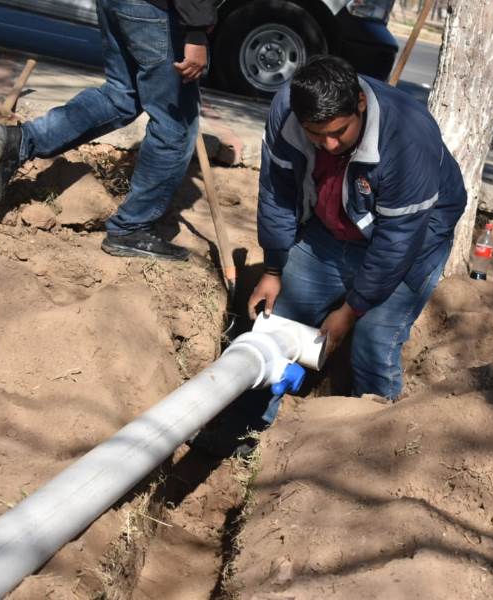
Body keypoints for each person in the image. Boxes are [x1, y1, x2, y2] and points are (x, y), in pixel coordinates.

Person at [191, 54, 467, 457]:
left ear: (359, 103)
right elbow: (277, 191)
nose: (330, 144)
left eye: (338, 132)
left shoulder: (408, 139)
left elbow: (397, 241)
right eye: (317, 135)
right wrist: (272, 268)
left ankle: (369, 449)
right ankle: (245, 432)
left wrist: (352, 310)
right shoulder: (288, 110)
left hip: (413, 235)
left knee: (373, 340)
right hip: (333, 224)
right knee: (277, 323)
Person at [0, 0, 216, 261]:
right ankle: (131, 228)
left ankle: (20, 141)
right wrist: (196, 28)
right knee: (175, 128)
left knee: (120, 96)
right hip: (157, 10)